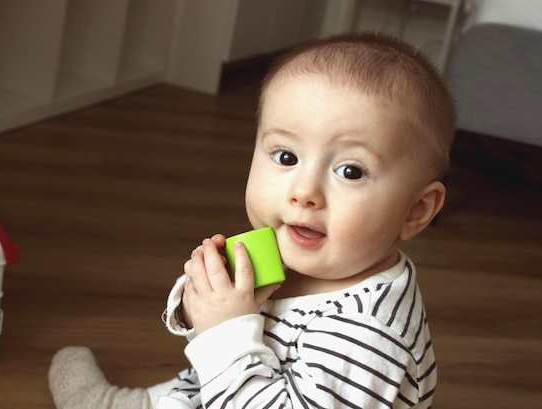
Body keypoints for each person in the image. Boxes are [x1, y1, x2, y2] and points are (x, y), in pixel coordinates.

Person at [48, 32, 455, 409]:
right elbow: (215, 348)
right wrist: (203, 304)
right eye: (286, 157)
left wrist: (224, 329)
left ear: (415, 210)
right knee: (184, 391)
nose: (304, 191)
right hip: (225, 393)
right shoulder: (300, 252)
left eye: (350, 171)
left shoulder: (368, 335)